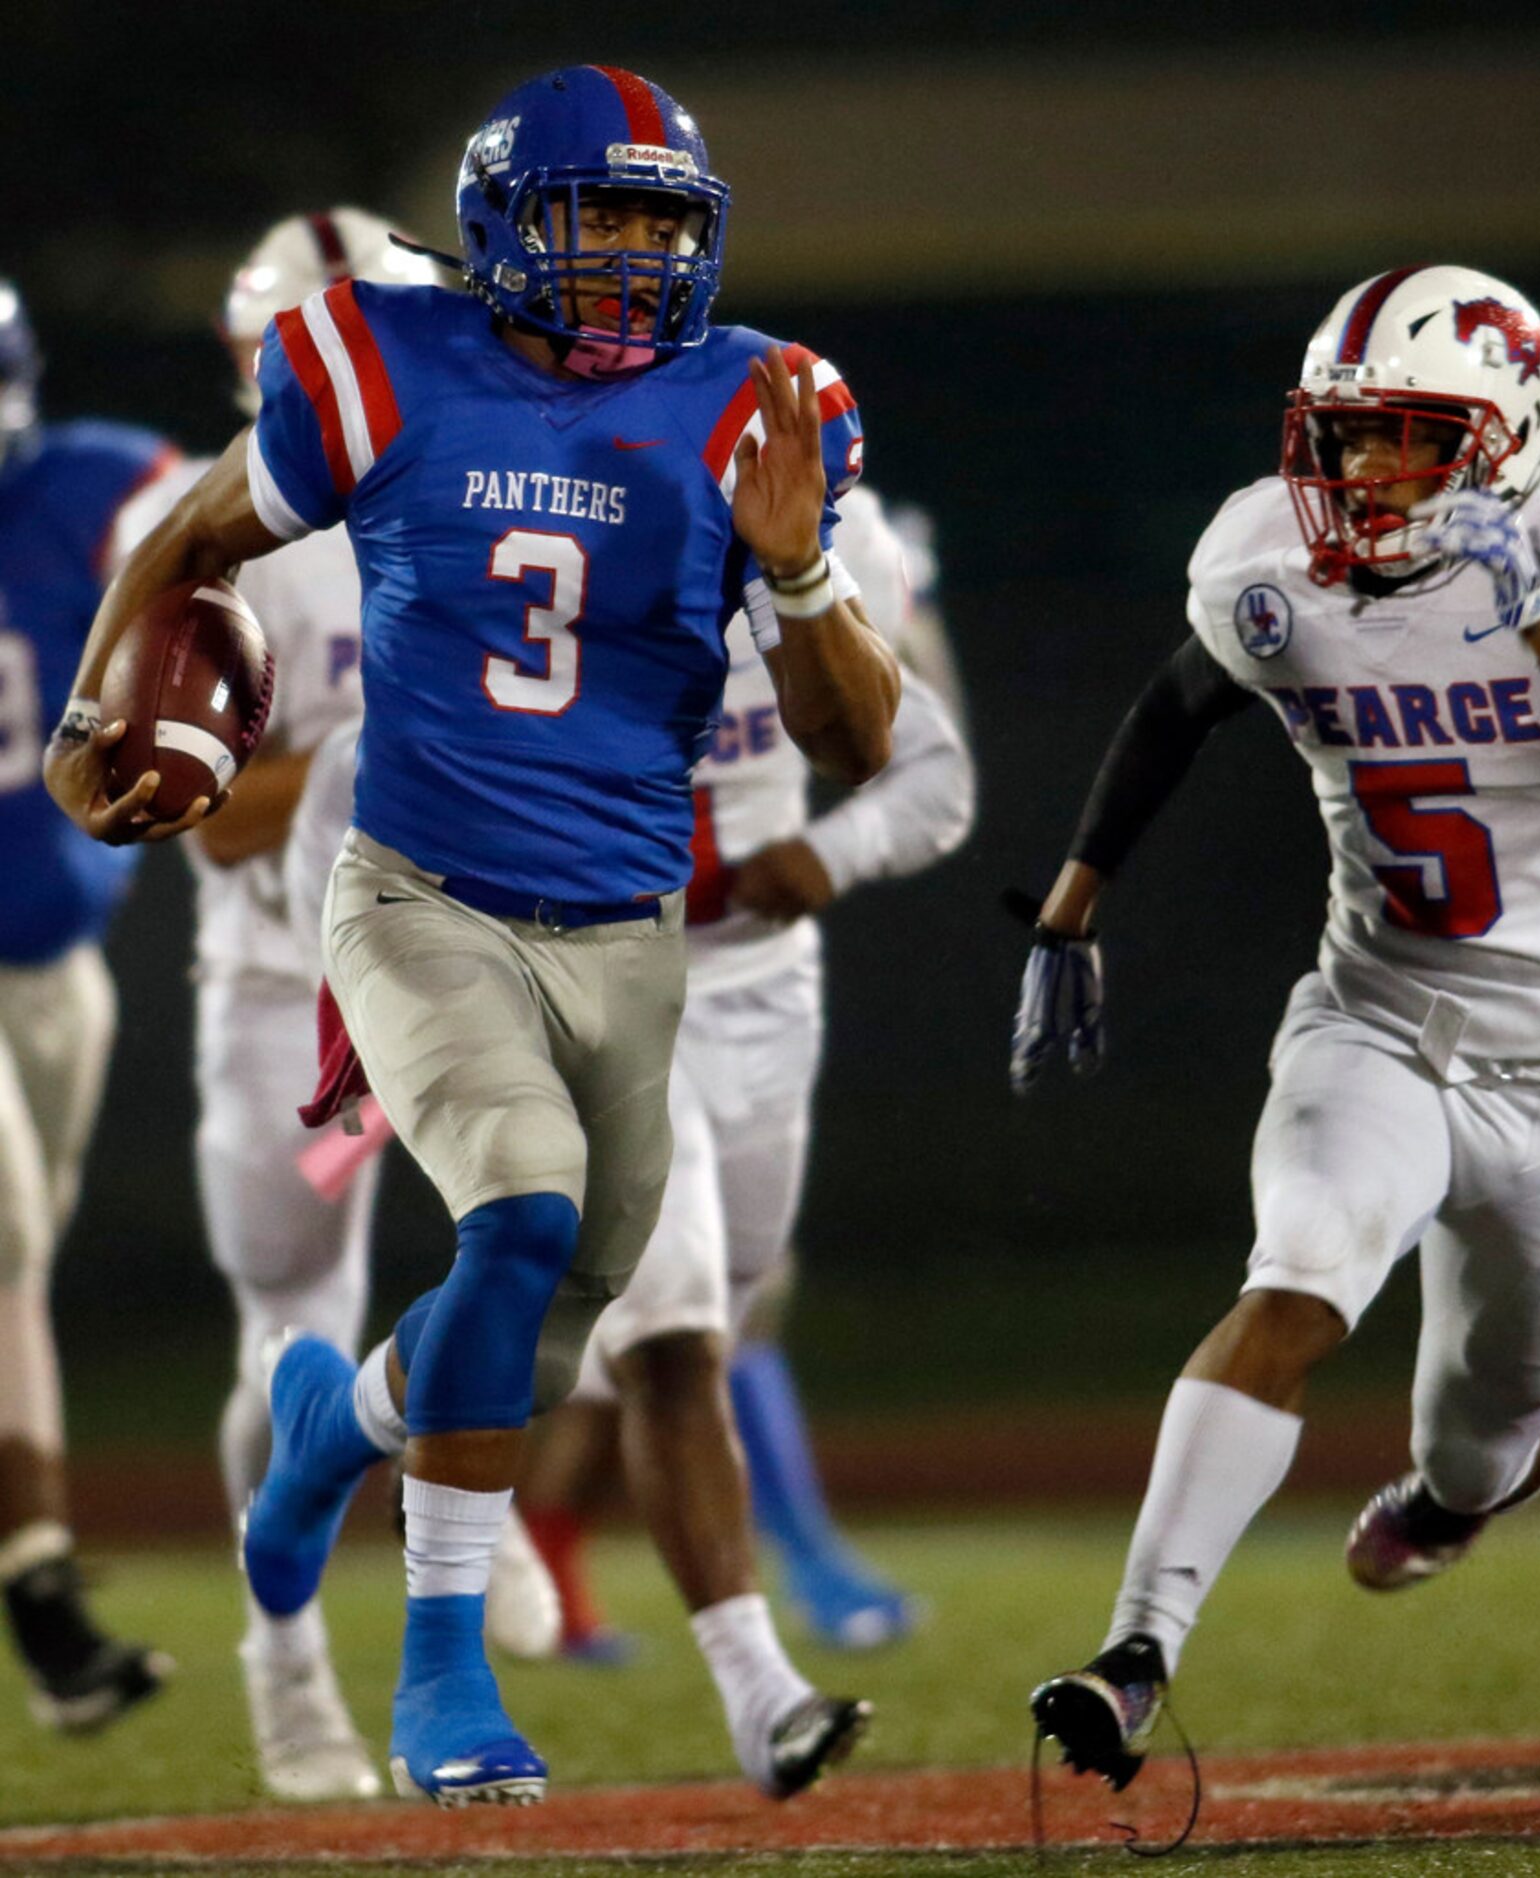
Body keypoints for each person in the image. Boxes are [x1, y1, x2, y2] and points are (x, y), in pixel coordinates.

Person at [44, 64, 898, 1808]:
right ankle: (440, 1680)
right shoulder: (382, 366)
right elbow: (201, 539)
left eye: (666, 225)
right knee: (520, 1215)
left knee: (557, 1312)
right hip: (417, 893)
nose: (633, 263)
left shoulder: (759, 404)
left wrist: (801, 578)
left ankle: (327, 1430)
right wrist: (87, 714)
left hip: (627, 924)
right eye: (601, 220)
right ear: (507, 224)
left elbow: (857, 745)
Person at [1015, 265, 1540, 1790]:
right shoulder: (1268, 558)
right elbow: (1175, 703)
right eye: (1342, 438)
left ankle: (1469, 1488)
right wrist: (1072, 905)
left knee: (1483, 1430)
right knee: (1299, 1272)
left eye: (1407, 437)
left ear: (1510, 434)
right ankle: (1134, 1655)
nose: (1362, 475)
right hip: (1378, 1019)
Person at [109, 207, 559, 1804]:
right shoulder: (204, 522)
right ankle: (283, 1654)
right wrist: (408, 733)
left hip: (460, 948)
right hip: (276, 994)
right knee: (284, 1324)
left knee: (557, 1248)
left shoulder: (494, 474)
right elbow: (207, 804)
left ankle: (456, 1525)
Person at [517, 483, 973, 1663]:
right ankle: (757, 1632)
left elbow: (933, 773)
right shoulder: (552, 582)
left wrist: (828, 850)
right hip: (600, 982)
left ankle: (518, 1526)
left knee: (714, 1310)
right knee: (670, 1328)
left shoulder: (825, 568)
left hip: (759, 990)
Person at [0, 277, 179, 1730]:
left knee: (14, 1268)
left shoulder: (94, 486)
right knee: (0, 1238)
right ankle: (44, 1594)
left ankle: (41, 1610)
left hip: (57, 950)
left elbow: (251, 520)